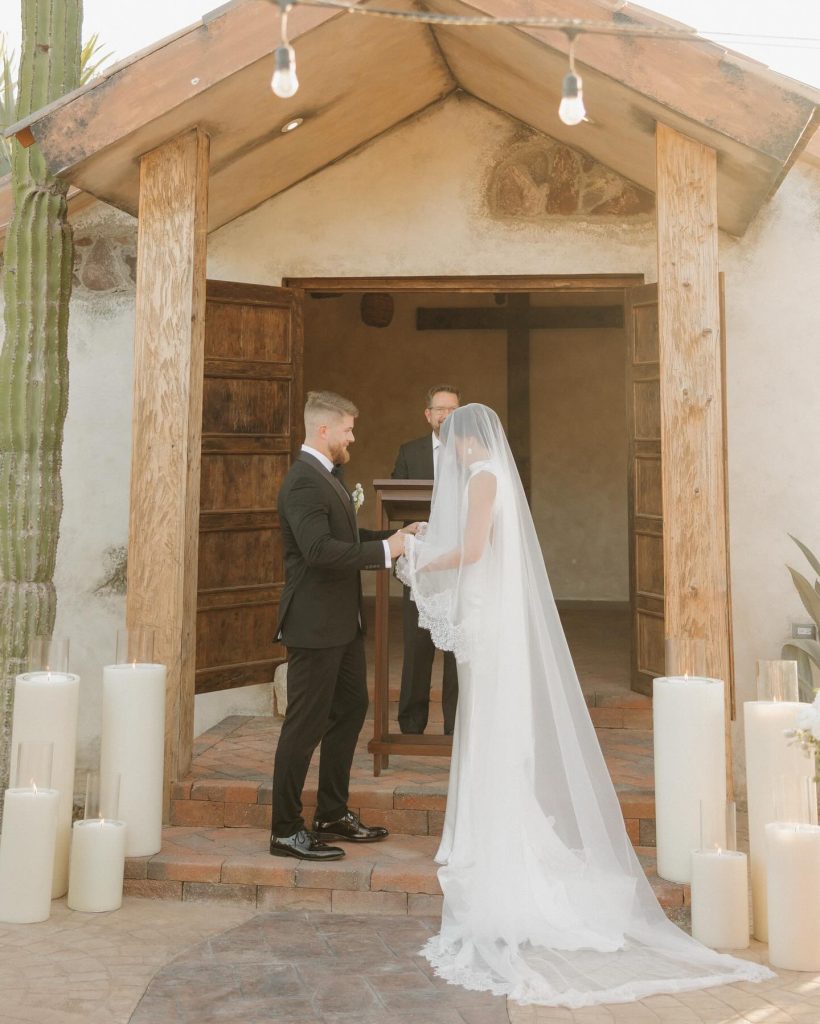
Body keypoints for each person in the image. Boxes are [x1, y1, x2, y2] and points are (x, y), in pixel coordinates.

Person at [396, 404, 773, 1007]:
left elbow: (470, 550)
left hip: (487, 621)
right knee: (483, 723)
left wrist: (416, 557)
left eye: (452, 440)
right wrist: (421, 538)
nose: (452, 451)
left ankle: (490, 834)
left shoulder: (485, 475)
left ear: (466, 440)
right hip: (488, 618)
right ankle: (474, 831)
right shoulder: (490, 473)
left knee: (488, 723)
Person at [270, 391, 412, 862]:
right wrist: (385, 554)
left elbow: (344, 539)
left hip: (342, 626)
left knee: (351, 708)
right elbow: (318, 552)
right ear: (324, 430)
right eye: (348, 429)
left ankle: (331, 812)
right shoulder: (303, 482)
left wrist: (397, 536)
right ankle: (285, 830)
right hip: (313, 625)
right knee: (303, 726)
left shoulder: (328, 476)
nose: (354, 436)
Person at [392, 385, 460, 734]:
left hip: (460, 566)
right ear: (428, 414)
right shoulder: (410, 452)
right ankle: (411, 726)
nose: (446, 415)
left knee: (456, 652)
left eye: (453, 409)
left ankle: (455, 729)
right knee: (417, 650)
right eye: (440, 409)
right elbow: (395, 504)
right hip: (419, 565)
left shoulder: (469, 452)